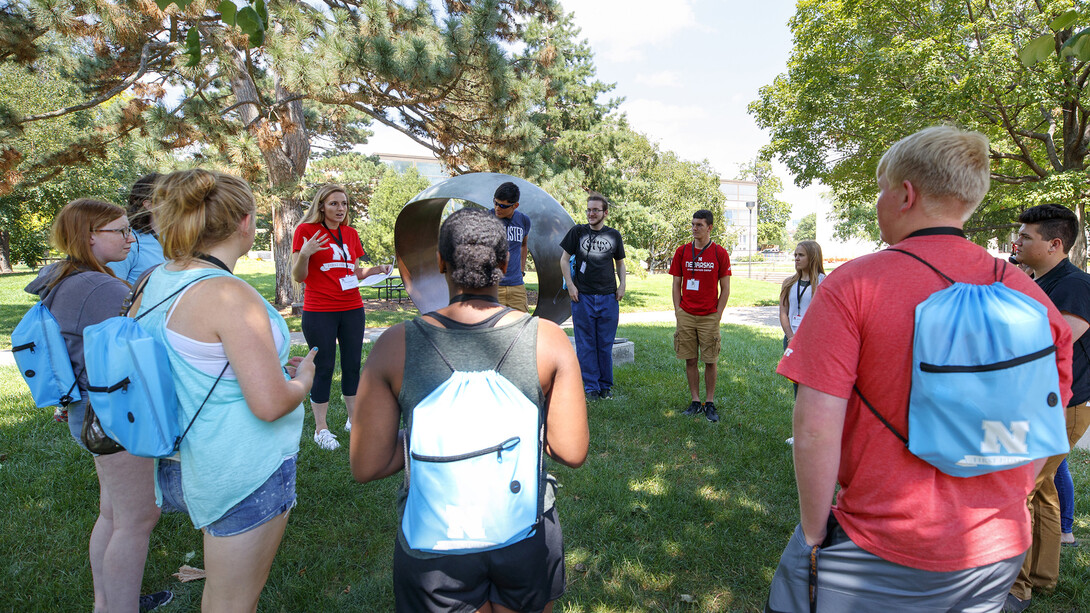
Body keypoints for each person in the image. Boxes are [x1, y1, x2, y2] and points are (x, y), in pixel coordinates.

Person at [766, 126, 1073, 612]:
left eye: (881, 189)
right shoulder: (1031, 297)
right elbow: (1045, 426)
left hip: (879, 544)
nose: (878, 203)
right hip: (996, 549)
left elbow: (815, 428)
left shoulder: (853, 285)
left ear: (906, 194)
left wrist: (811, 532)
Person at [350, 207, 589, 613]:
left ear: (441, 262)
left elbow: (366, 464)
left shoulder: (395, 344)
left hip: (435, 545)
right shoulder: (547, 339)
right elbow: (570, 450)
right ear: (505, 262)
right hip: (525, 533)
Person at [135, 169, 317, 611]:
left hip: (178, 459)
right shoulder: (228, 294)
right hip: (241, 467)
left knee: (222, 595)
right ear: (243, 223)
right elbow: (271, 403)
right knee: (234, 602)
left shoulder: (156, 279)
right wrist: (304, 380)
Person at [24, 199, 172, 613]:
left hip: (89, 410)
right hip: (114, 415)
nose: (131, 239)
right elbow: (149, 346)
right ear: (90, 236)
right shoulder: (101, 287)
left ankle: (106, 603)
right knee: (137, 520)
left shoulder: (64, 277)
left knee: (113, 513)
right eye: (121, 231)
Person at [1007, 203, 1090, 611]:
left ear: (1055, 244)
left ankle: (1016, 589)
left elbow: (1048, 345)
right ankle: (1041, 578)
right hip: (1043, 403)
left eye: (1026, 236)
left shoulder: (1076, 285)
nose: (1016, 241)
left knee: (1020, 491)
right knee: (1041, 493)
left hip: (1066, 405)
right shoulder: (1039, 281)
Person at [292, 184, 391, 451]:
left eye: (344, 204)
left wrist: (377, 269)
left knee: (351, 366)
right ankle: (321, 429)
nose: (340, 209)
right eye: (334, 203)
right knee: (323, 368)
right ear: (321, 205)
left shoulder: (350, 233)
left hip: (352, 308)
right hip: (319, 310)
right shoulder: (306, 232)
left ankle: (353, 420)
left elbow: (354, 272)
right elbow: (298, 276)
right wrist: (305, 253)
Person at [558, 193, 626, 400]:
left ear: (605, 213)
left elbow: (620, 263)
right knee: (586, 343)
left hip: (608, 298)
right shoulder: (577, 232)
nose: (591, 213)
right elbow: (563, 260)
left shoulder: (614, 235)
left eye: (595, 210)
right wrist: (570, 285)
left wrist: (623, 285)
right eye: (588, 209)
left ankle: (605, 386)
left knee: (604, 344)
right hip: (583, 297)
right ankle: (591, 388)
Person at [669, 210, 731, 422]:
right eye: (693, 224)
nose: (694, 228)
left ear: (710, 228)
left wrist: (718, 314)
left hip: (709, 315)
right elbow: (676, 283)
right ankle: (696, 401)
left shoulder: (719, 253)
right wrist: (678, 310)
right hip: (686, 313)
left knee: (710, 360)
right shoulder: (682, 251)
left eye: (699, 225)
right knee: (690, 359)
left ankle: (709, 402)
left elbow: (725, 288)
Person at [779, 240, 825, 399]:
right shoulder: (789, 282)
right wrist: (790, 336)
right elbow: (783, 312)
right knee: (797, 383)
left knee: (812, 384)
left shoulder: (823, 282)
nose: (796, 258)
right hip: (791, 339)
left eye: (801, 255)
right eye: (795, 255)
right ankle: (801, 419)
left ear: (812, 257)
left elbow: (825, 316)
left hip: (813, 341)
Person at [108, 173, 165, 283]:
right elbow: (113, 289)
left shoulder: (182, 241)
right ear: (150, 206)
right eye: (172, 198)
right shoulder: (129, 242)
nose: (181, 204)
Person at [492, 181, 532, 312]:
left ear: (515, 205)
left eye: (503, 205)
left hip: (516, 286)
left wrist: (521, 270)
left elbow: (523, 245)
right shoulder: (487, 218)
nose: (497, 208)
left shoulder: (524, 221)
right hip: (493, 286)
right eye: (495, 202)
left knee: (522, 327)